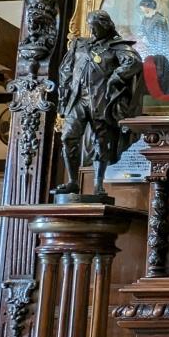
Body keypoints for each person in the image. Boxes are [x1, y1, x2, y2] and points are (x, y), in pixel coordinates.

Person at [56, 10, 144, 198]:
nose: (93, 31)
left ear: (105, 26)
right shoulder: (80, 44)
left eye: (96, 27)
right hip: (78, 99)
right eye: (91, 27)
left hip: (101, 100)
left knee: (101, 142)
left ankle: (98, 184)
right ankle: (72, 181)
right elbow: (65, 69)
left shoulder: (116, 46)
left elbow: (134, 62)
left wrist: (116, 76)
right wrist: (64, 94)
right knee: (67, 137)